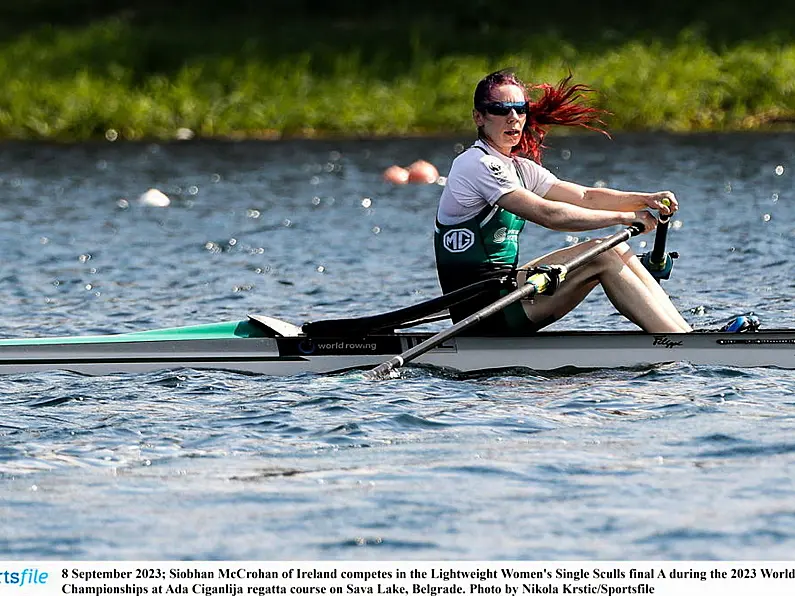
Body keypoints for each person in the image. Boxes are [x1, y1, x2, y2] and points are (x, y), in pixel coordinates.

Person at [433, 69, 693, 335]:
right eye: (500, 109)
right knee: (602, 254)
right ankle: (680, 343)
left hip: (506, 292)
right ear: (479, 117)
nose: (513, 118)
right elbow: (548, 215)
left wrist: (644, 200)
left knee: (615, 249)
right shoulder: (475, 164)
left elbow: (585, 197)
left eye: (520, 109)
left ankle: (684, 335)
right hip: (483, 313)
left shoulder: (521, 169)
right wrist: (624, 218)